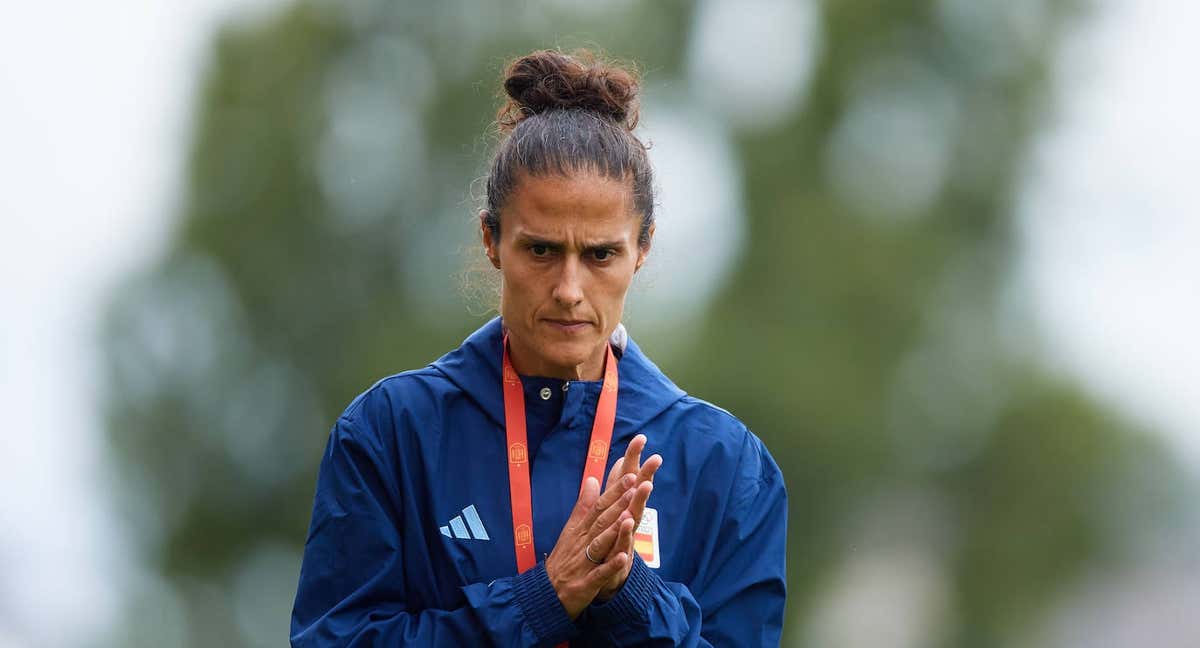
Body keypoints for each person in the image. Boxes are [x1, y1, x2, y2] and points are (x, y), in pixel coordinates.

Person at [291, 48, 787, 646]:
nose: (569, 290)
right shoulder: (391, 434)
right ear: (491, 240)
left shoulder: (727, 466)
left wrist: (628, 594)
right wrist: (539, 600)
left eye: (600, 254)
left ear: (643, 249)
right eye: (542, 250)